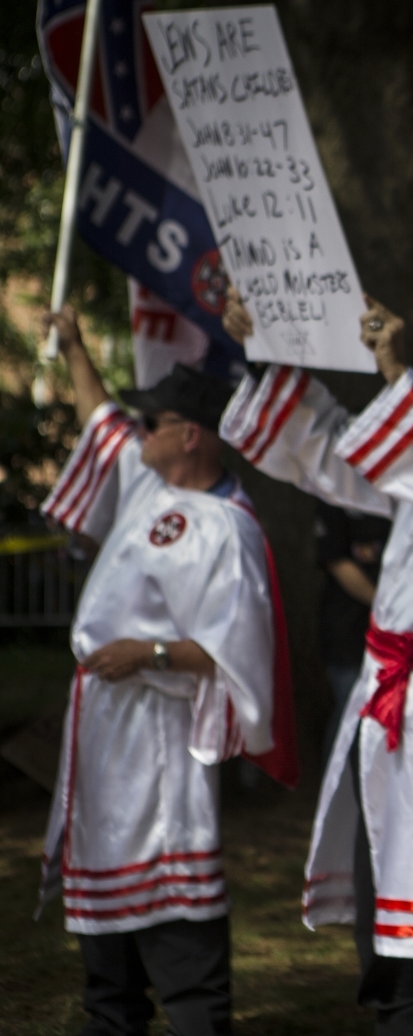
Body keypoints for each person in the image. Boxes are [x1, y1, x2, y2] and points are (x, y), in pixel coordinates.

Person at [220, 295, 413, 1036]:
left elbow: (400, 457)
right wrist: (272, 351)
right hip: (389, 697)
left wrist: (393, 374)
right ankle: (394, 1017)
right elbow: (339, 457)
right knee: (383, 871)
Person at [37, 305, 289, 1036]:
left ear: (191, 436)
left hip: (162, 728)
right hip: (103, 729)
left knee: (174, 908)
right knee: (106, 946)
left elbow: (240, 650)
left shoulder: (228, 527)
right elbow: (101, 422)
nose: (137, 431)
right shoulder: (149, 481)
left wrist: (146, 653)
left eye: (155, 423)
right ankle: (110, 1013)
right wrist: (79, 346)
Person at [314, 500, 391, 762]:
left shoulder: (404, 483)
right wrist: (389, 607)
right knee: (350, 719)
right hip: (349, 633)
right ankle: (336, 795)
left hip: (399, 640)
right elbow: (335, 559)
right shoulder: (337, 484)